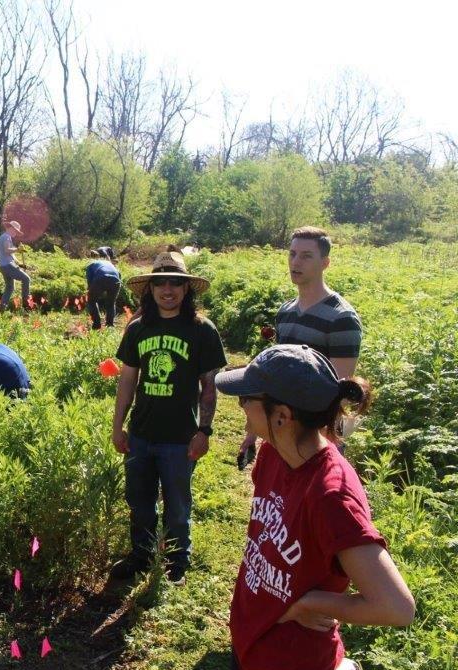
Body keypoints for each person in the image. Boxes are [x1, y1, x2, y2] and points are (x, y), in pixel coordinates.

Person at [215, 345, 414, 670]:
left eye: (246, 398)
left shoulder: (331, 496)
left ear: (281, 415)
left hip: (292, 666)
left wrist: (310, 604)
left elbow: (396, 607)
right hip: (253, 637)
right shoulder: (274, 454)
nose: (241, 407)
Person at [110, 247, 227, 584]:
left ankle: (177, 559)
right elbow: (128, 379)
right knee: (140, 501)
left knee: (178, 505)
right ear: (150, 288)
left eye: (175, 282)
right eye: (160, 282)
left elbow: (209, 386)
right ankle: (141, 554)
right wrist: (119, 427)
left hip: (180, 436)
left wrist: (204, 430)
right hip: (142, 433)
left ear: (186, 288)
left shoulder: (202, 330)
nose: (168, 289)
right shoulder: (138, 328)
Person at [239, 227, 363, 463]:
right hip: (279, 432)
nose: (296, 262)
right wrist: (254, 432)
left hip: (316, 441)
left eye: (306, 256)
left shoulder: (342, 318)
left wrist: (311, 446)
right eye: (292, 254)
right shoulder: (286, 312)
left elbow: (337, 394)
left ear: (325, 263)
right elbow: (274, 376)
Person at [85, 247, 122, 329]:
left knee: (91, 301)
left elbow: (90, 283)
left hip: (101, 278)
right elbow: (119, 274)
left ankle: (97, 325)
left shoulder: (90, 265)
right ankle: (110, 325)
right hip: (116, 280)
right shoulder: (109, 263)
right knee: (111, 303)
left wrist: (91, 291)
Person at [0, 220, 30, 309]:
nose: (16, 233)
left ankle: (2, 307)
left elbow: (10, 254)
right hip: (7, 266)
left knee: (10, 287)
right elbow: (7, 250)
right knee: (26, 279)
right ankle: (26, 304)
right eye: (15, 230)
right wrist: (18, 249)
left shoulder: (4, 237)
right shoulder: (7, 237)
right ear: (11, 228)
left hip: (3, 266)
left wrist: (19, 264)